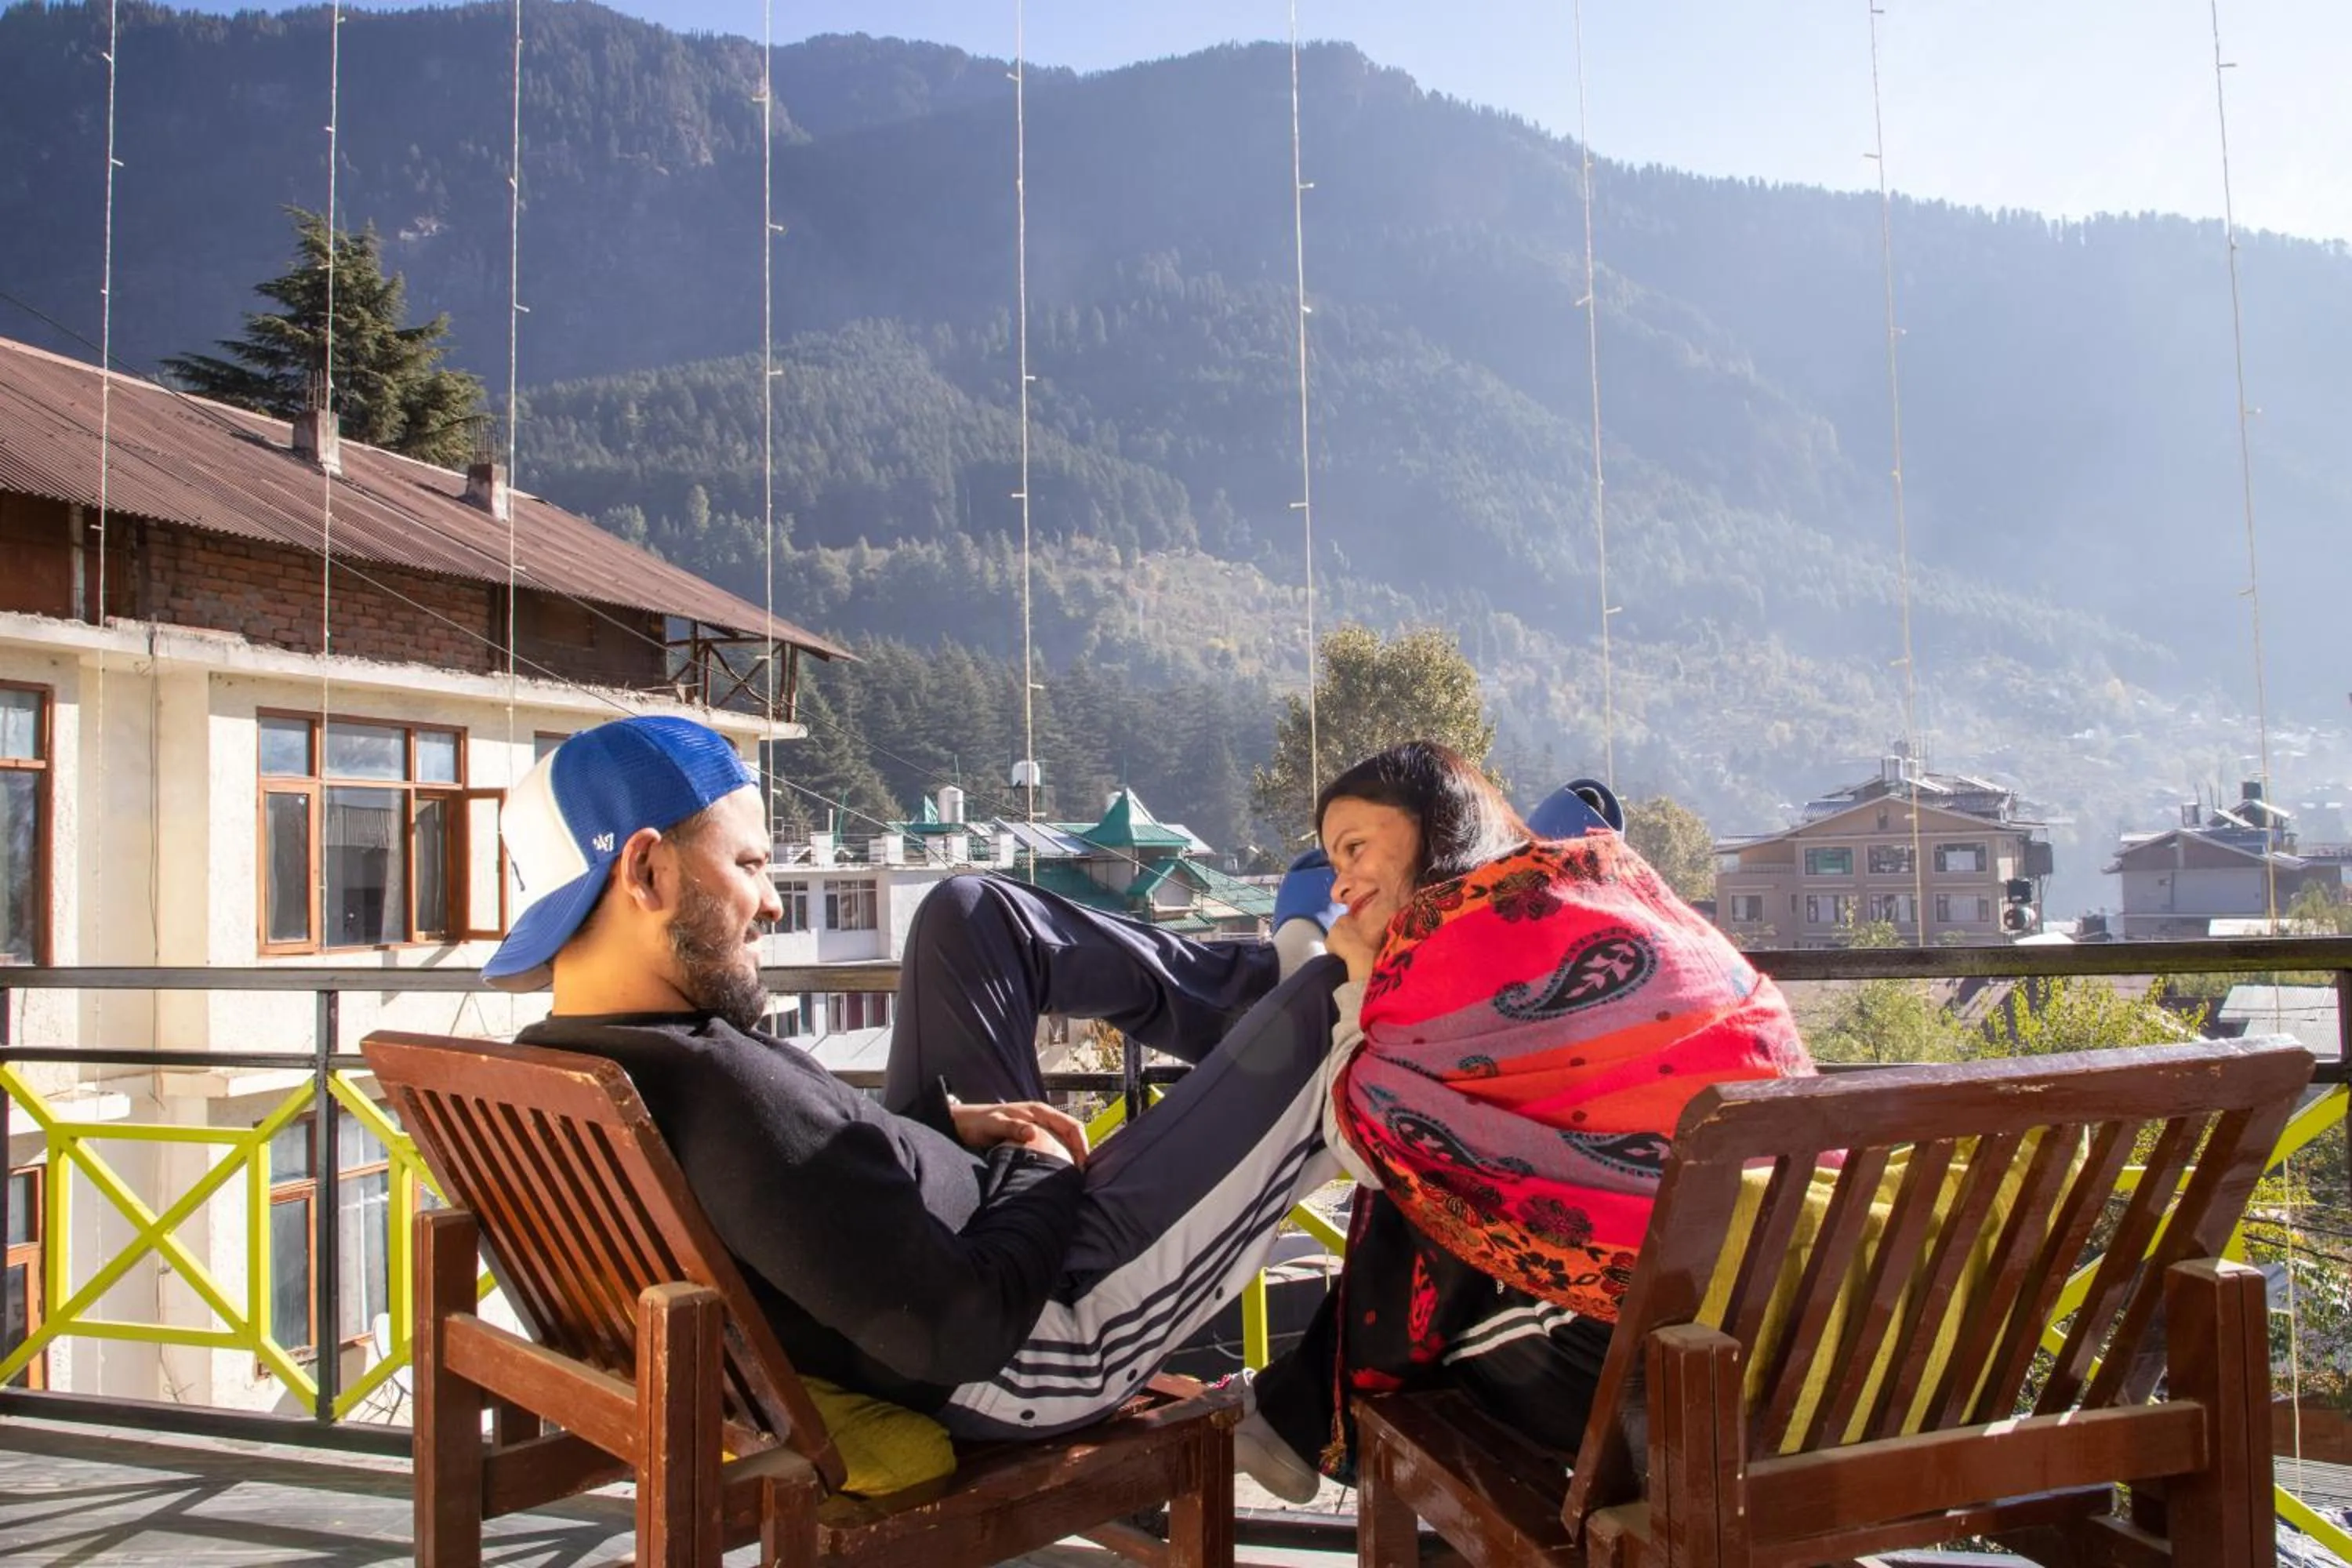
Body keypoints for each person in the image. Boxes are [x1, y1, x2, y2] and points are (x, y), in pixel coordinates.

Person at [482, 713, 1352, 1442]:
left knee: (971, 912)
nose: (776, 901)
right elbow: (954, 1328)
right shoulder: (713, 1089)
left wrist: (939, 1128)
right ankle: (1307, 956)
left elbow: (808, 1201)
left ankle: (1258, 984)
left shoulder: (574, 1059)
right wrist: (1040, 1166)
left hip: (946, 1229)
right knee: (1340, 1000)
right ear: (645, 871)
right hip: (1040, 1322)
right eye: (749, 864)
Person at [1230, 741, 1814, 1501]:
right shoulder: (1612, 891)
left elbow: (1365, 1135)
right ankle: (1293, 1411)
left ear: (1428, 824)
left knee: (1418, 1264)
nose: (1342, 883)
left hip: (1668, 1372)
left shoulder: (1457, 942)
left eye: (1354, 848)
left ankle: (1304, 1410)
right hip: (1814, 1312)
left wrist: (1354, 977)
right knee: (1473, 1167)